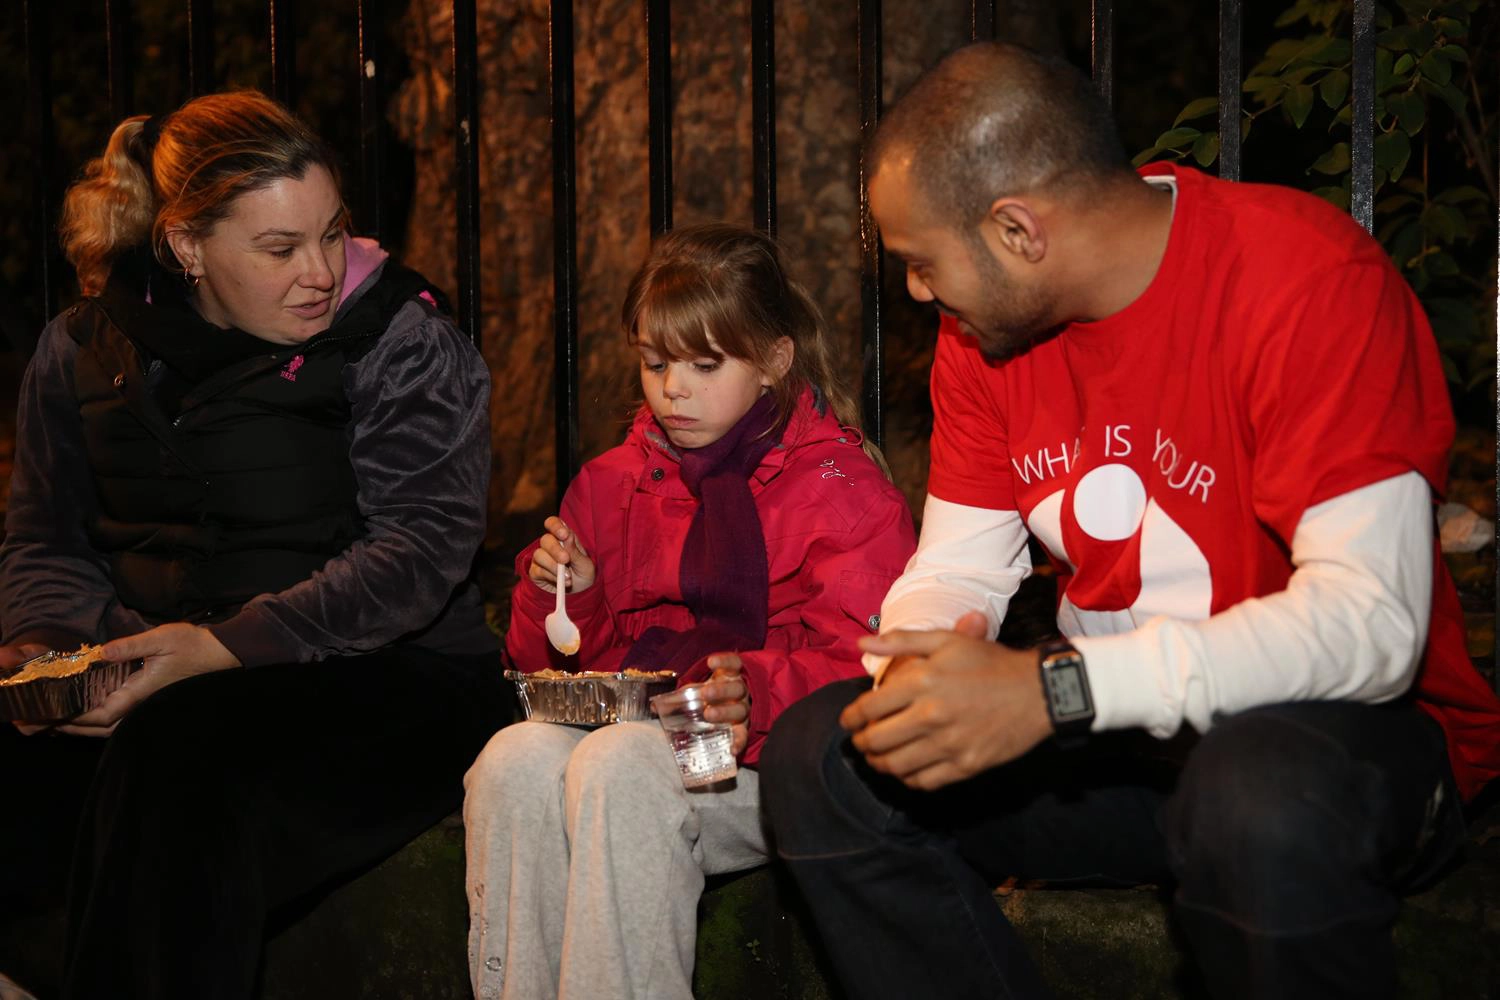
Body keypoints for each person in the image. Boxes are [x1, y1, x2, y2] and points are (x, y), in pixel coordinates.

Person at [758, 42, 1500, 1000]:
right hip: (1121, 745)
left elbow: (1372, 629)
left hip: (1334, 749)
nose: (917, 291)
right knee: (824, 759)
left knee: (1256, 795)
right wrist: (924, 664)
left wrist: (1054, 691)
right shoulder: (986, 339)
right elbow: (961, 567)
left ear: (1018, 229)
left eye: (921, 262)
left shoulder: (1306, 281)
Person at [0, 91, 510, 999]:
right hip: (154, 668)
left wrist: (218, 648)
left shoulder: (402, 338)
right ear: (187, 248)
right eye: (280, 249)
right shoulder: (81, 347)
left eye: (330, 234)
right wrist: (50, 661)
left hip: (389, 677)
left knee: (183, 759)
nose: (319, 270)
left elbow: (422, 551)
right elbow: (45, 539)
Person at [462, 222, 916, 1000]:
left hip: (754, 762)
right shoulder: (612, 483)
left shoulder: (841, 492)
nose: (674, 387)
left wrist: (760, 690)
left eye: (706, 365)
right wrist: (562, 592)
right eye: (655, 362)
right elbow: (556, 670)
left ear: (774, 360)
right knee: (513, 759)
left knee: (624, 762)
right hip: (642, 742)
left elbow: (876, 670)